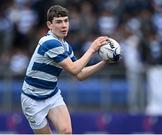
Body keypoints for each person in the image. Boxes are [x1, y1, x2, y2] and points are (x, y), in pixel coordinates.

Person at [21, 5, 111, 134]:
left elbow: (80, 75)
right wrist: (92, 49)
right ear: (49, 25)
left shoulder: (66, 47)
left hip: (51, 94)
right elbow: (74, 69)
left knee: (66, 132)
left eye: (66, 21)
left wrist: (104, 62)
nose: (64, 25)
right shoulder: (49, 42)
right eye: (58, 22)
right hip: (32, 99)